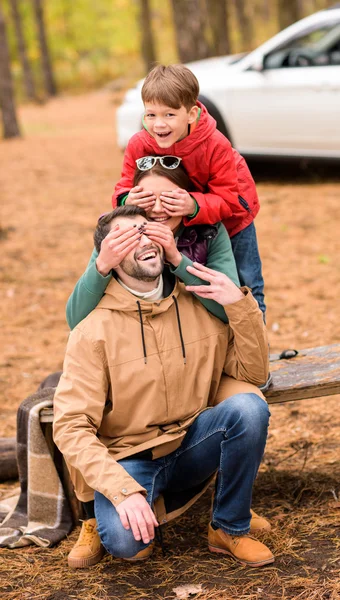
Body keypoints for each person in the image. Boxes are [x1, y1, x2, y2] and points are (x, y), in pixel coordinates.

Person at [53, 205, 274, 570]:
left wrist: (240, 306)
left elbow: (253, 373)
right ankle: (137, 506)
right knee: (127, 546)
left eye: (147, 229)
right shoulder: (92, 330)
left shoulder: (198, 303)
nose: (143, 239)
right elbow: (70, 425)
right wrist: (122, 491)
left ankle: (229, 527)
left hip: (193, 442)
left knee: (249, 407)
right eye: (127, 236)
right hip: (130, 458)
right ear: (107, 257)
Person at [112, 64, 266, 316]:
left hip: (233, 219)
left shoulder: (215, 144)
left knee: (245, 282)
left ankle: (255, 345)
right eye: (150, 115)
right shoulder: (139, 144)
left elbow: (227, 201)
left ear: (191, 114)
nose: (158, 124)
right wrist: (128, 197)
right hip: (179, 221)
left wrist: (194, 205)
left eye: (169, 115)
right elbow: (122, 189)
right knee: (192, 285)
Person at [66, 160, 240, 330]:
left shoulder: (210, 232)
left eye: (170, 199)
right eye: (147, 199)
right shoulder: (118, 231)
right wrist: (101, 266)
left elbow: (232, 311)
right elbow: (76, 319)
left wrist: (178, 261)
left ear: (188, 198)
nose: (157, 209)